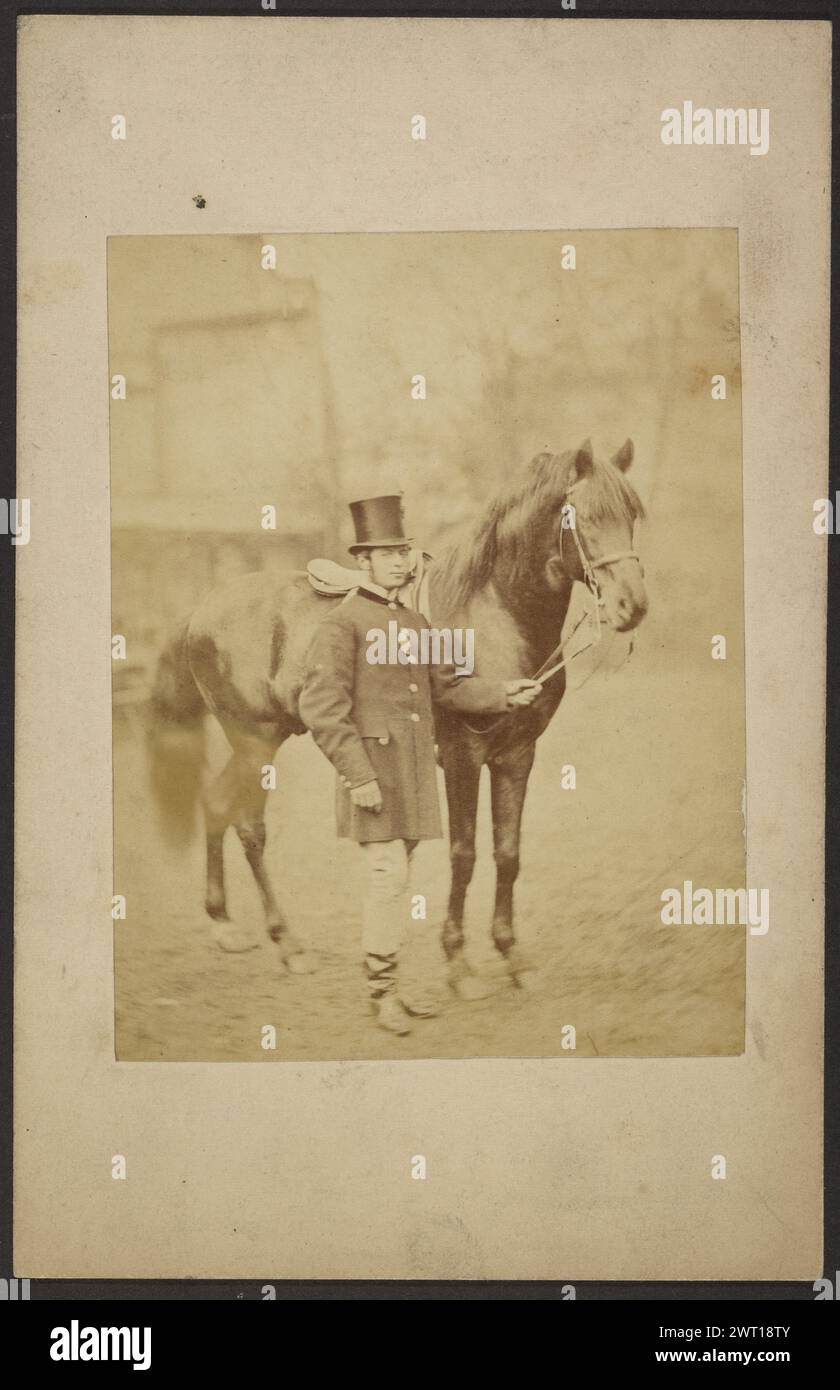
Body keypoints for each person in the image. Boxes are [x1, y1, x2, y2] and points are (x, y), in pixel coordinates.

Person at [298, 493, 542, 1036]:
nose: (399, 561)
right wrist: (358, 776)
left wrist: (504, 693)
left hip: (409, 778)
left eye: (403, 551)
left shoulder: (413, 620)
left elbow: (447, 688)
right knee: (388, 877)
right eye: (386, 554)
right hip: (372, 778)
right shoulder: (343, 624)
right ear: (364, 561)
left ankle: (390, 983)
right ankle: (382, 993)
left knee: (397, 880)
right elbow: (321, 709)